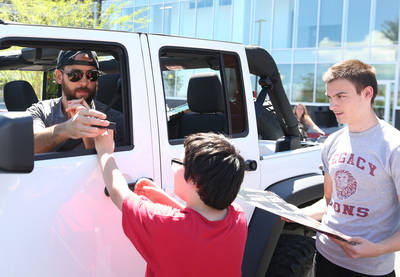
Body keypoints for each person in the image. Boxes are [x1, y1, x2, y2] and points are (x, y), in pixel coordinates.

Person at [95, 131, 248, 277]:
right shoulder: (238, 218)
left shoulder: (165, 224)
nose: (174, 168)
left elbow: (118, 192)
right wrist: (164, 200)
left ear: (194, 180)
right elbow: (200, 228)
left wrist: (105, 151)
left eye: (178, 163)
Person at [298, 60, 400, 277]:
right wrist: (297, 214)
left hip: (370, 269)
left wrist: (377, 249)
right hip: (325, 256)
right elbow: (330, 202)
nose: (332, 106)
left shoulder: (394, 147)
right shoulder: (332, 142)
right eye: (330, 98)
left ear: (367, 93)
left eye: (341, 96)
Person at [27, 50, 124, 153]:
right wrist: (67, 129)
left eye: (92, 75)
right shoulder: (41, 111)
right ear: (59, 76)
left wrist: (89, 135)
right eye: (75, 75)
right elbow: (27, 146)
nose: (84, 83)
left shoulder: (113, 120)